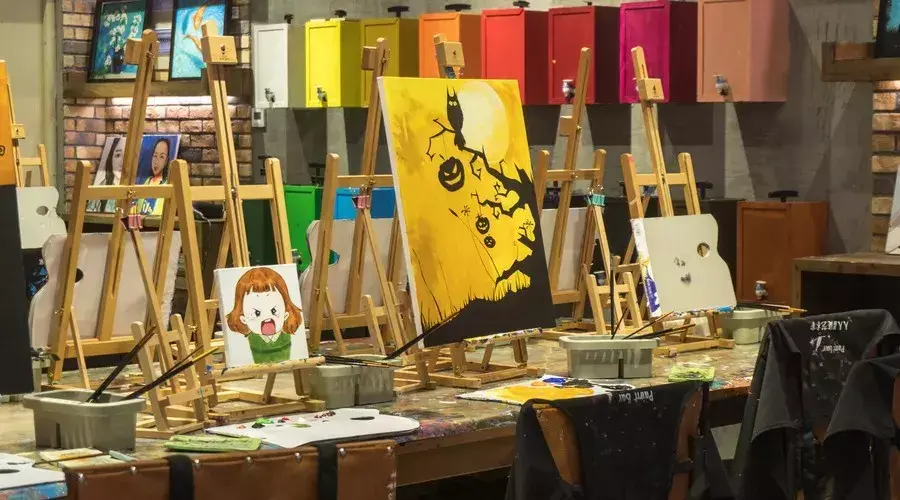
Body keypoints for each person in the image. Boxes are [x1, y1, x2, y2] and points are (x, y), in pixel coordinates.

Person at [225, 268, 303, 364]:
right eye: (257, 313)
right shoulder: (248, 341)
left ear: (286, 314)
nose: (266, 318)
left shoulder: (286, 336)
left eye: (274, 311)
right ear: (243, 319)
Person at [87, 137, 124, 213]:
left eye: (127, 156)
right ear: (111, 157)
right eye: (118, 155)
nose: (121, 163)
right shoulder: (102, 186)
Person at [138, 137, 171, 215]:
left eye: (161, 157)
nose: (156, 161)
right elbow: (138, 209)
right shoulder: (147, 181)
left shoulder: (167, 185)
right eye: (155, 156)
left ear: (166, 161)